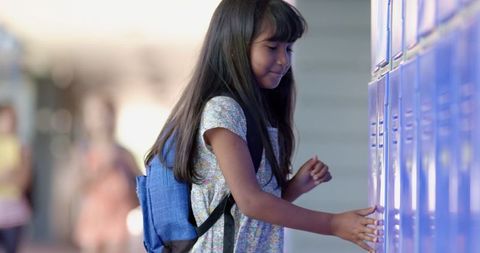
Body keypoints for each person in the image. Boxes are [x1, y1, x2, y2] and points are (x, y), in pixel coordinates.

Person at [145, 0, 381, 252]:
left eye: (289, 49)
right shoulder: (223, 110)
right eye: (272, 47)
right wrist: (333, 223)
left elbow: (244, 214)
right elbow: (250, 202)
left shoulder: (254, 113)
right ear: (234, 47)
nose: (283, 60)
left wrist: (293, 187)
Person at [71, 94, 140, 253]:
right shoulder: (82, 151)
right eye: (95, 114)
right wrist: (104, 167)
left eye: (104, 113)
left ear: (113, 117)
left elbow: (140, 186)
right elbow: (77, 186)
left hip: (118, 217)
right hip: (92, 217)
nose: (100, 119)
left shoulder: (124, 154)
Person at [0, 104, 31, 253]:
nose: (9, 123)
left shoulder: (21, 147)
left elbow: (23, 180)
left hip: (14, 211)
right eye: (5, 119)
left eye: (12, 119)